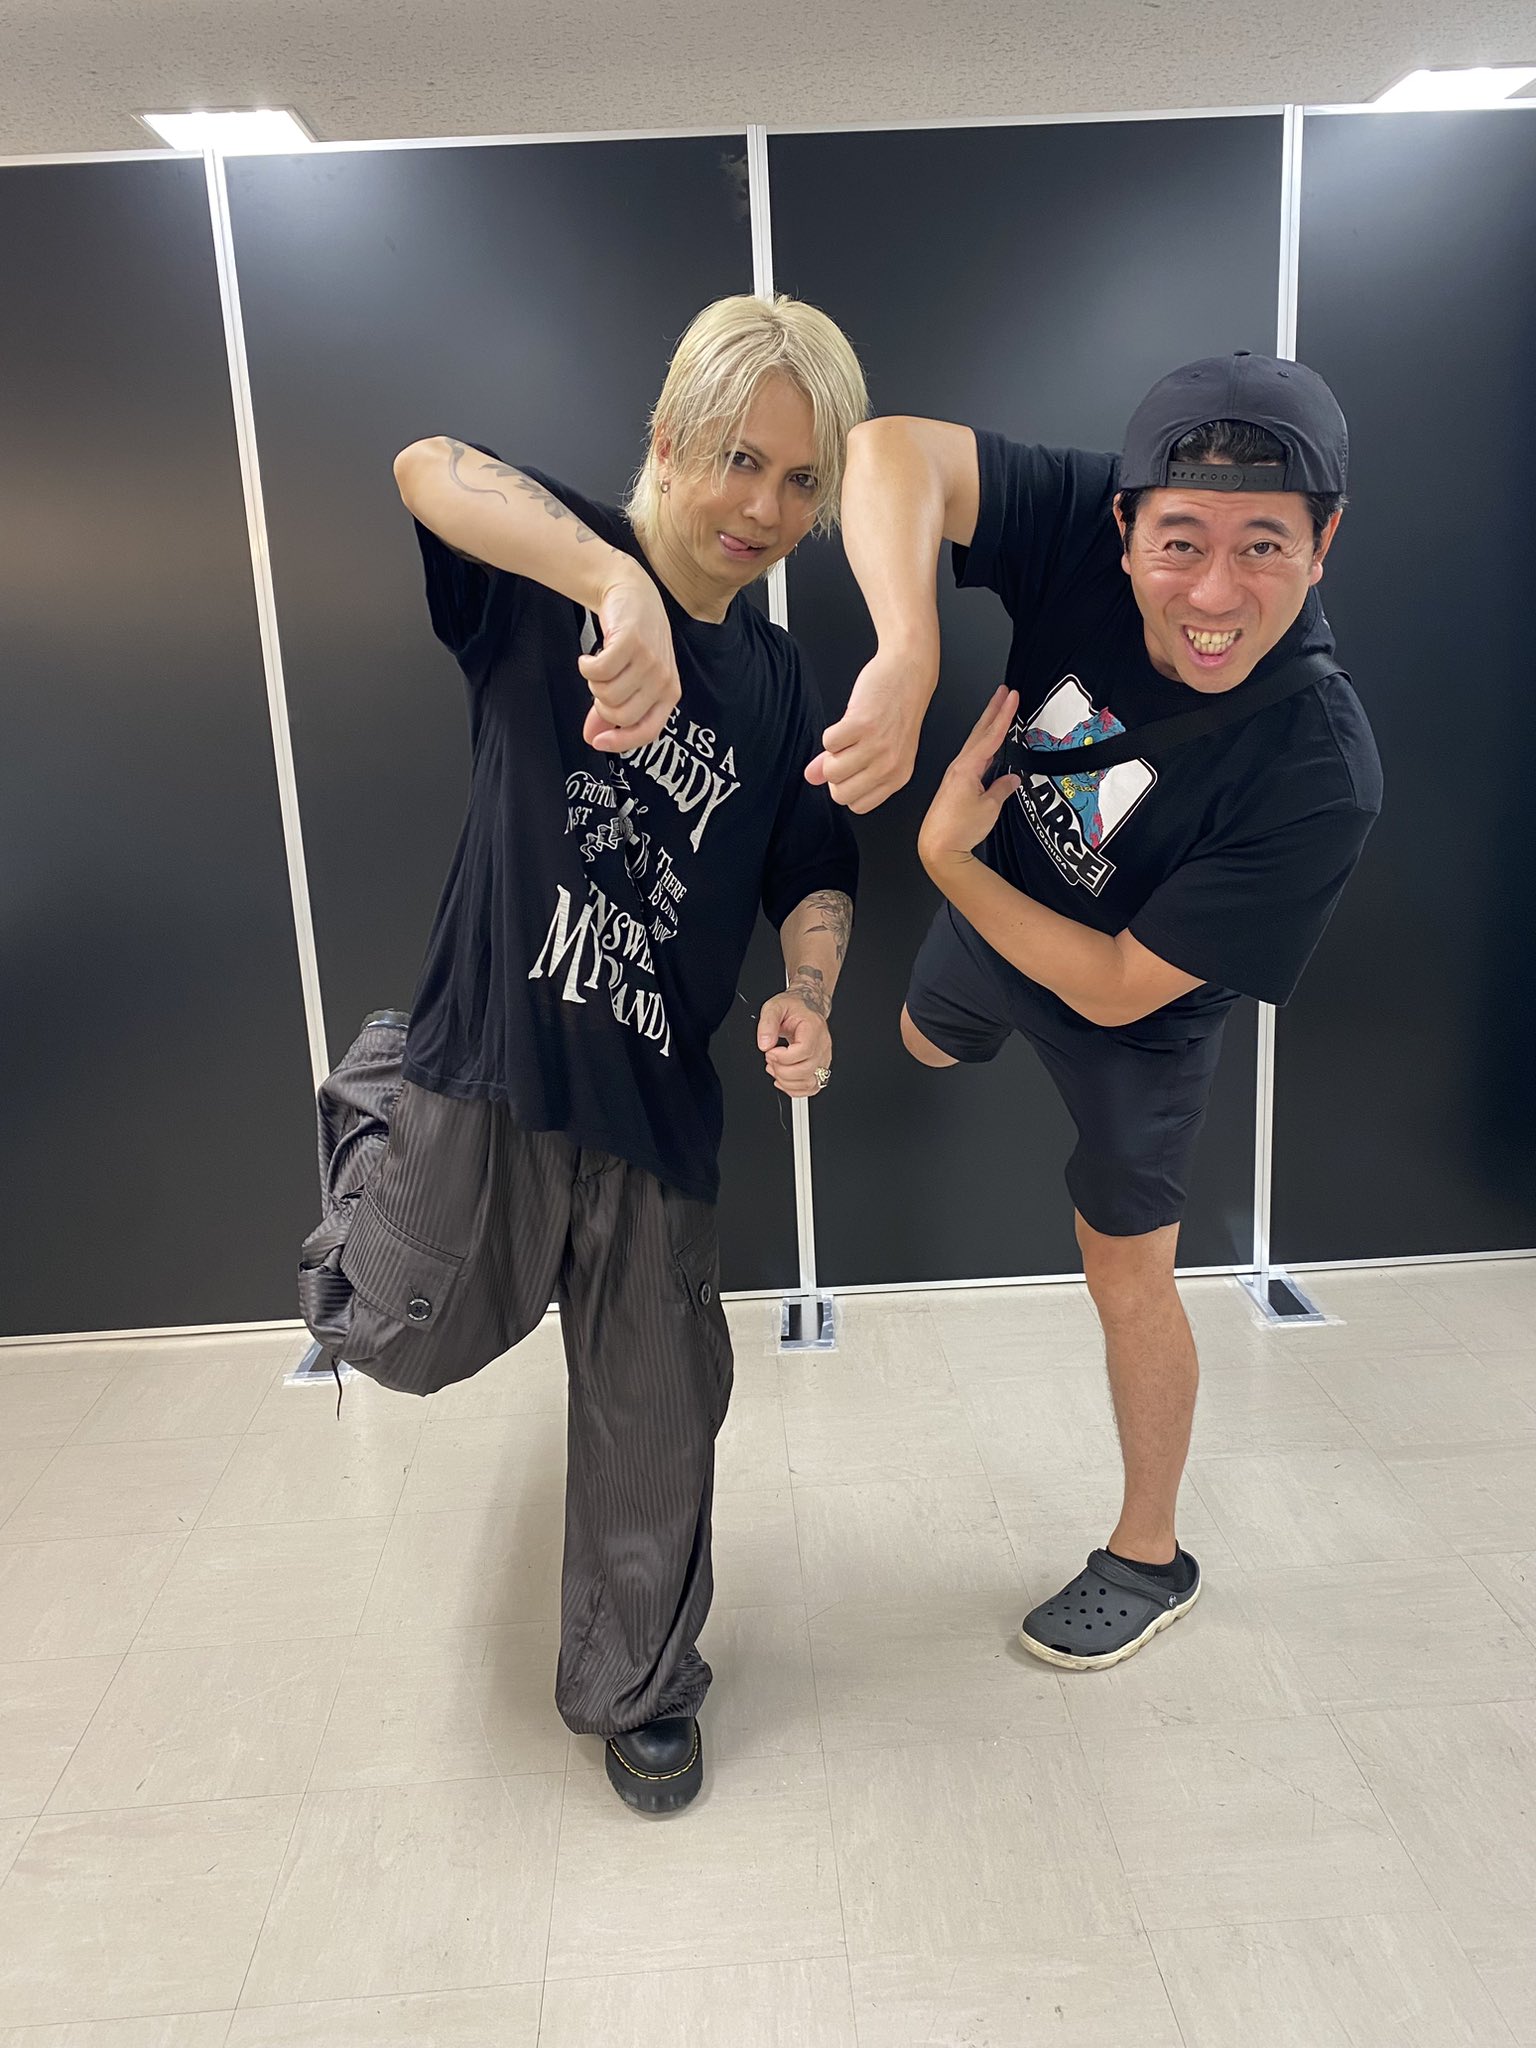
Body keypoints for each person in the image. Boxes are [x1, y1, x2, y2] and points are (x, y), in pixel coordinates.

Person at [814, 353, 1381, 1669]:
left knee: (1126, 1270)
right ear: (1123, 527)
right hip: (998, 909)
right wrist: (909, 653)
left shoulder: (1319, 766)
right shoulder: (1084, 522)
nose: (1214, 594)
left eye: (1265, 546)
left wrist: (947, 859)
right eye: (1181, 542)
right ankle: (962, 1022)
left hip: (1138, 1013)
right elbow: (890, 449)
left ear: (1324, 544)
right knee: (923, 1038)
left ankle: (1150, 1554)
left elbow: (1119, 984)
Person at [386, 295, 866, 1808]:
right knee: (388, 1323)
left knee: (656, 1415)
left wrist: (807, 988)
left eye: (801, 482)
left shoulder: (778, 683)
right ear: (669, 438)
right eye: (740, 459)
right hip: (498, 1064)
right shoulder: (555, 572)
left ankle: (639, 1685)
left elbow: (816, 865)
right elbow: (424, 465)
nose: (764, 508)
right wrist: (614, 586)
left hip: (657, 1107)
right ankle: (375, 1105)